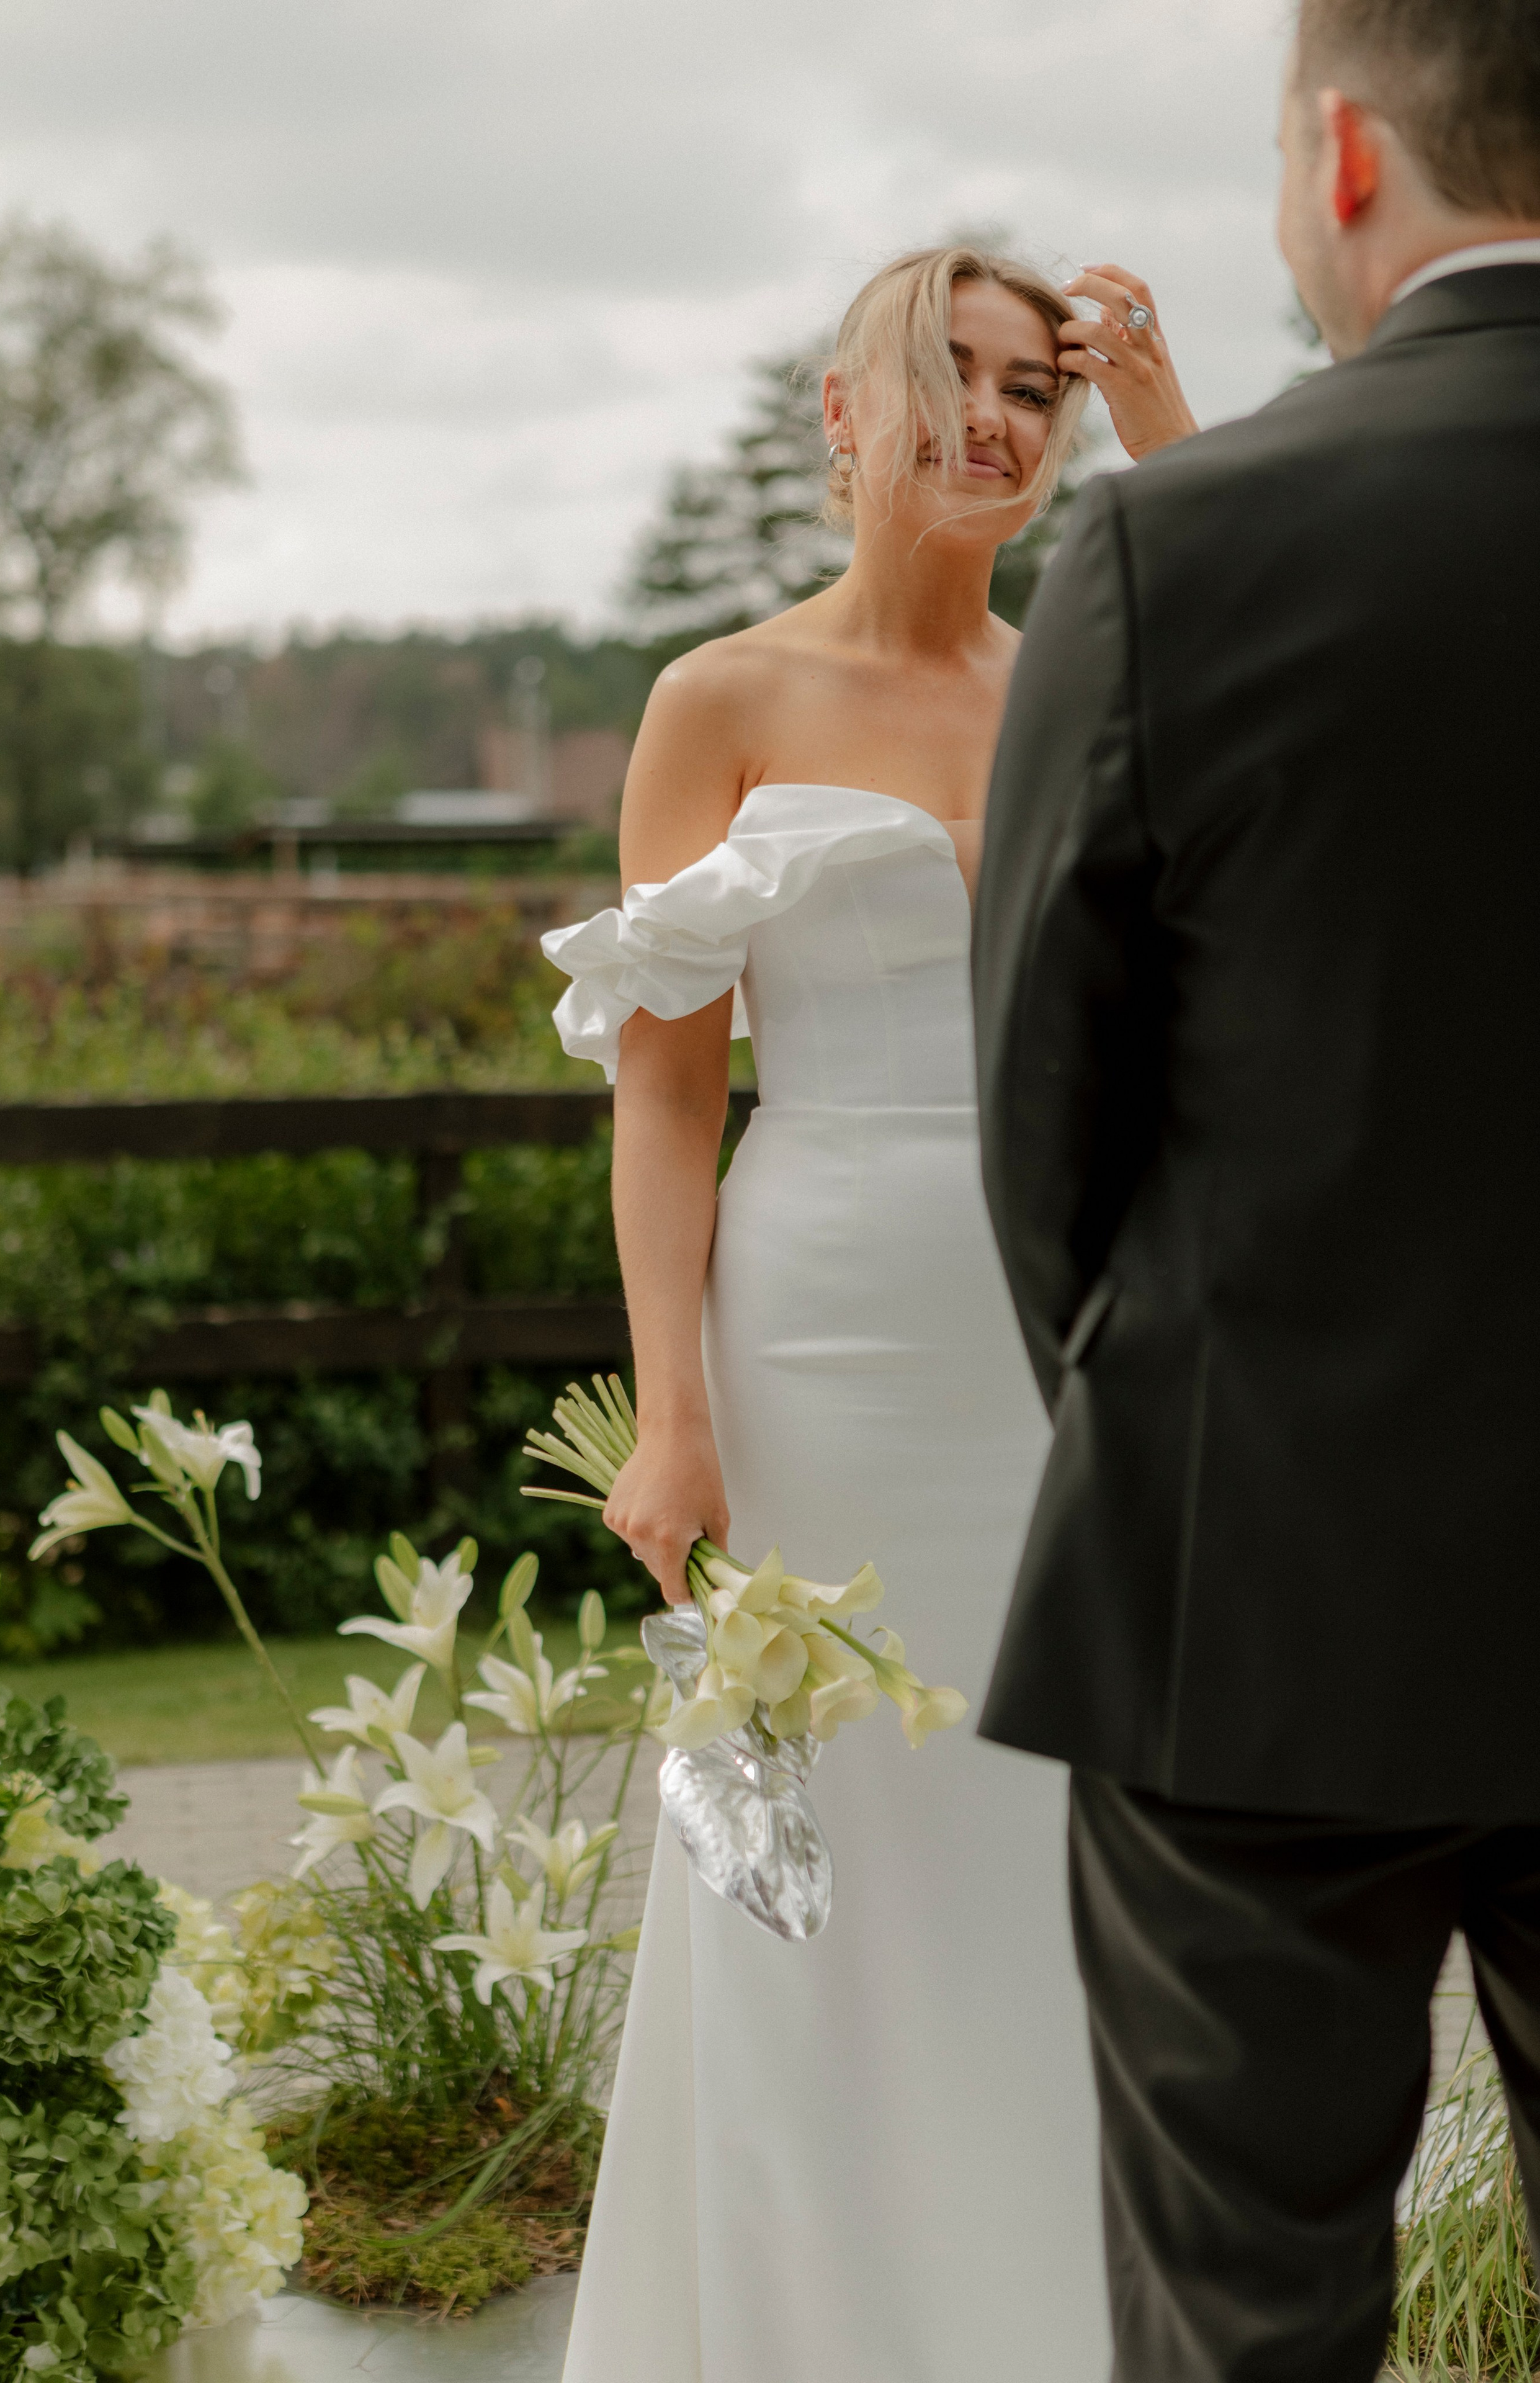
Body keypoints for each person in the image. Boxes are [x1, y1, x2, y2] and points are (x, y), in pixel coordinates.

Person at [542, 244, 1197, 2381]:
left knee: (1051, 1840)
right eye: (949, 377)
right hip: (810, 1334)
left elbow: (1302, 711)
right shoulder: (718, 701)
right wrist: (672, 1413)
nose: (995, 422)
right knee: (805, 1868)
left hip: (1061, 1340)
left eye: (1038, 389)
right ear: (843, 417)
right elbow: (662, 1096)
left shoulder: (1097, 672)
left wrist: (1177, 430)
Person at [970, 3, 1540, 2377]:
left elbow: (1047, 1131)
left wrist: (1194, 1420)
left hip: (1249, 1607)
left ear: (1339, 156)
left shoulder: (1167, 551)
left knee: (1243, 2323)